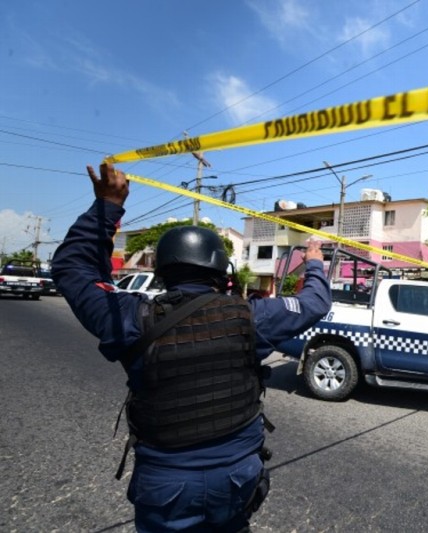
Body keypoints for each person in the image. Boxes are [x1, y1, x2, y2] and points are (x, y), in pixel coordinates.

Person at [51, 162, 332, 532]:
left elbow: (72, 269)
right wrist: (313, 264)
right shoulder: (252, 316)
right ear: (221, 271)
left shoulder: (132, 317)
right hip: (236, 478)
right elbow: (314, 303)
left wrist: (107, 207)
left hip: (166, 483)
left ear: (162, 271)